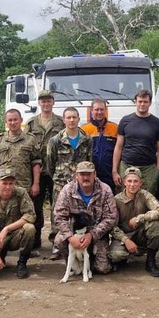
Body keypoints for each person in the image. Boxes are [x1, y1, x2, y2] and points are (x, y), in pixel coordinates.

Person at [52, 161, 118, 275]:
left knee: (103, 268)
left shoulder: (105, 190)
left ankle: (90, 264)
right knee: (59, 240)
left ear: (95, 174)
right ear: (76, 176)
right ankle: (73, 264)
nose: (85, 177)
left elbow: (111, 217)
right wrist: (70, 237)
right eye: (82, 174)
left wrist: (92, 235)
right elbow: (58, 216)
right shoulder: (67, 190)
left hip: (97, 233)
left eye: (89, 174)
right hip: (74, 231)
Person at [0, 109, 43, 250]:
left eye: (15, 119)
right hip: (4, 187)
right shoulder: (0, 139)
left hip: (24, 185)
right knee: (5, 215)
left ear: (21, 121)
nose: (13, 122)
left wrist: (36, 183)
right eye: (10, 120)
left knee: (28, 217)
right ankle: (4, 244)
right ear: (6, 122)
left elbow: (36, 162)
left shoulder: (30, 139)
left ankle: (29, 248)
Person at [45, 107, 92, 258]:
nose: (71, 120)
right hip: (61, 183)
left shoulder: (87, 139)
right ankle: (56, 245)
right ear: (63, 120)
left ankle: (81, 240)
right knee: (58, 213)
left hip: (81, 184)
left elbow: (89, 162)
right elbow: (50, 163)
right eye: (68, 117)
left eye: (74, 117)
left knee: (80, 212)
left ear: (79, 119)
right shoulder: (55, 140)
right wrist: (58, 178)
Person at [25, 90, 66, 249]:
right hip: (37, 171)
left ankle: (56, 239)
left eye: (49, 101)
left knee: (57, 205)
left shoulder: (61, 123)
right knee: (36, 204)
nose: (46, 104)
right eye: (43, 101)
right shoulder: (31, 124)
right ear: (39, 103)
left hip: (56, 170)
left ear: (53, 102)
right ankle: (35, 238)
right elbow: (26, 145)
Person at [109, 167, 159, 277]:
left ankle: (150, 261)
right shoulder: (116, 200)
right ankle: (124, 257)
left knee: (156, 224)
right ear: (124, 182)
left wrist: (140, 218)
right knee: (116, 255)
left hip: (141, 234)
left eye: (135, 181)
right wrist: (125, 240)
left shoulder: (145, 195)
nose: (132, 184)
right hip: (124, 236)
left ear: (140, 183)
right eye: (129, 181)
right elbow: (112, 226)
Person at [113, 89, 159, 196]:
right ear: (135, 102)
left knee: (146, 199)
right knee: (125, 198)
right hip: (126, 166)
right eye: (140, 101)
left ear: (150, 103)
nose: (142, 104)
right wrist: (114, 170)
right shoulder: (125, 121)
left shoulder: (157, 123)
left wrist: (157, 171)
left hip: (148, 169)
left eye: (145, 102)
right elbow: (118, 146)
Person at [81, 98, 119, 191]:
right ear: (92, 111)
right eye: (96, 109)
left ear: (105, 110)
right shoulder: (84, 129)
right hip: (90, 173)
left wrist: (115, 171)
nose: (99, 112)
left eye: (102, 109)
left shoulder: (115, 128)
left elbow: (119, 150)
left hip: (109, 172)